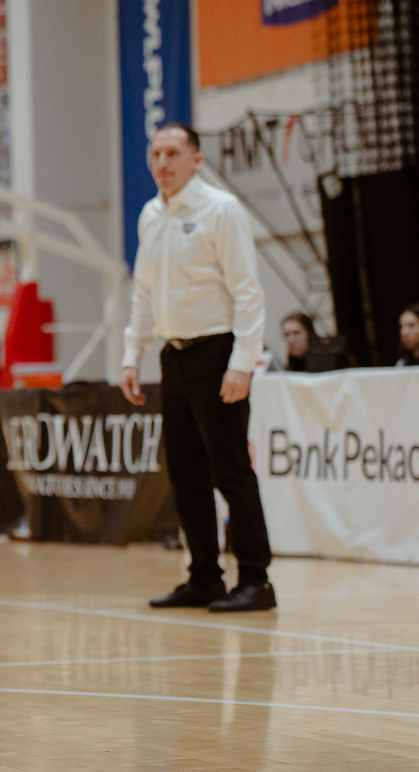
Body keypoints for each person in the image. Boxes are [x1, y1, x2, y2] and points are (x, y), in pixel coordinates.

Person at [120, 122, 275, 614]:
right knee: (185, 474)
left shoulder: (221, 210)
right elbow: (143, 292)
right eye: (156, 154)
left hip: (217, 353)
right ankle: (204, 576)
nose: (162, 163)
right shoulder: (150, 215)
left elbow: (248, 292)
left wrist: (242, 363)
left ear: (196, 160)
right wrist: (132, 354)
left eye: (173, 153)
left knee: (230, 471)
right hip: (174, 355)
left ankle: (256, 580)